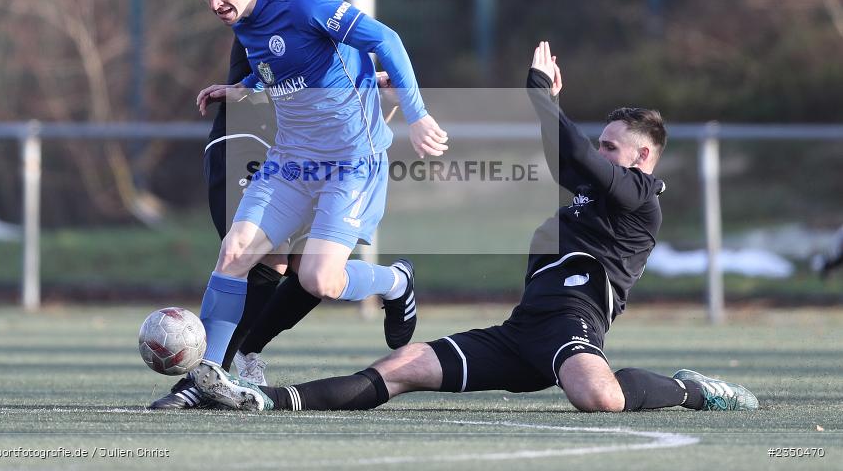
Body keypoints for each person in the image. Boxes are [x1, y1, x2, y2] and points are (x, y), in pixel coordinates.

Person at [199, 40, 759, 414]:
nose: (599, 149)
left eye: (612, 145)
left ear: (642, 160)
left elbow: (579, 159)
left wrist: (540, 97)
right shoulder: (598, 189)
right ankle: (268, 400)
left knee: (601, 398)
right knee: (401, 366)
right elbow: (569, 157)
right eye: (601, 140)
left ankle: (693, 390)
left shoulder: (640, 197)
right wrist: (546, 103)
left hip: (573, 327)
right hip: (521, 333)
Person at [183, 0, 448, 407]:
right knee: (235, 250)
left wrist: (417, 113)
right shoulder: (244, 20)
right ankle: (207, 376)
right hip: (291, 161)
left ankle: (396, 281)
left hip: (352, 163)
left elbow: (386, 39)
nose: (216, 2)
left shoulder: (304, 2)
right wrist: (241, 87)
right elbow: (289, 70)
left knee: (318, 280)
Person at [149, 0, 351, 409]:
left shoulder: (339, 23)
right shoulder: (259, 15)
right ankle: (202, 377)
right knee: (256, 258)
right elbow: (267, 85)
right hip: (248, 148)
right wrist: (241, 92)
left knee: (308, 271)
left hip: (307, 159)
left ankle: (239, 355)